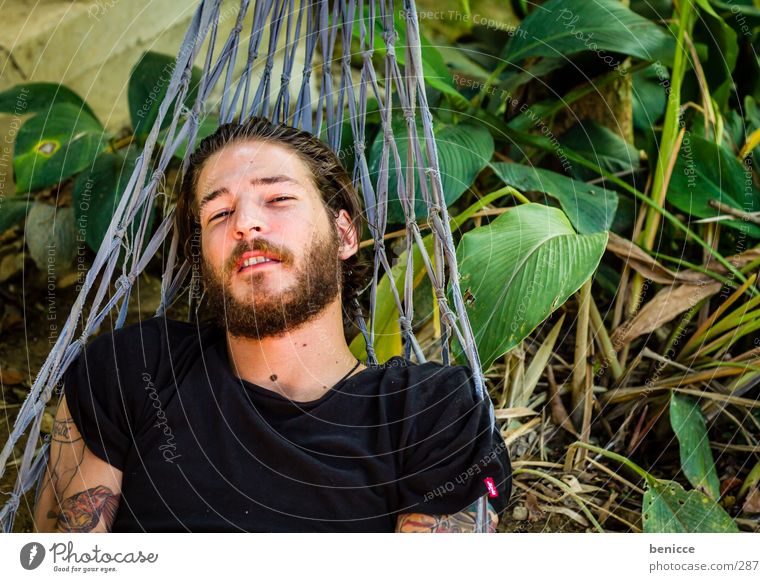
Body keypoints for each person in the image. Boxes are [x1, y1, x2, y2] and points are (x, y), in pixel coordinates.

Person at [33, 118, 512, 533]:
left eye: (278, 198)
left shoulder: (432, 413)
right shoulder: (133, 370)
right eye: (219, 213)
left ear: (344, 234)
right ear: (203, 260)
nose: (245, 223)